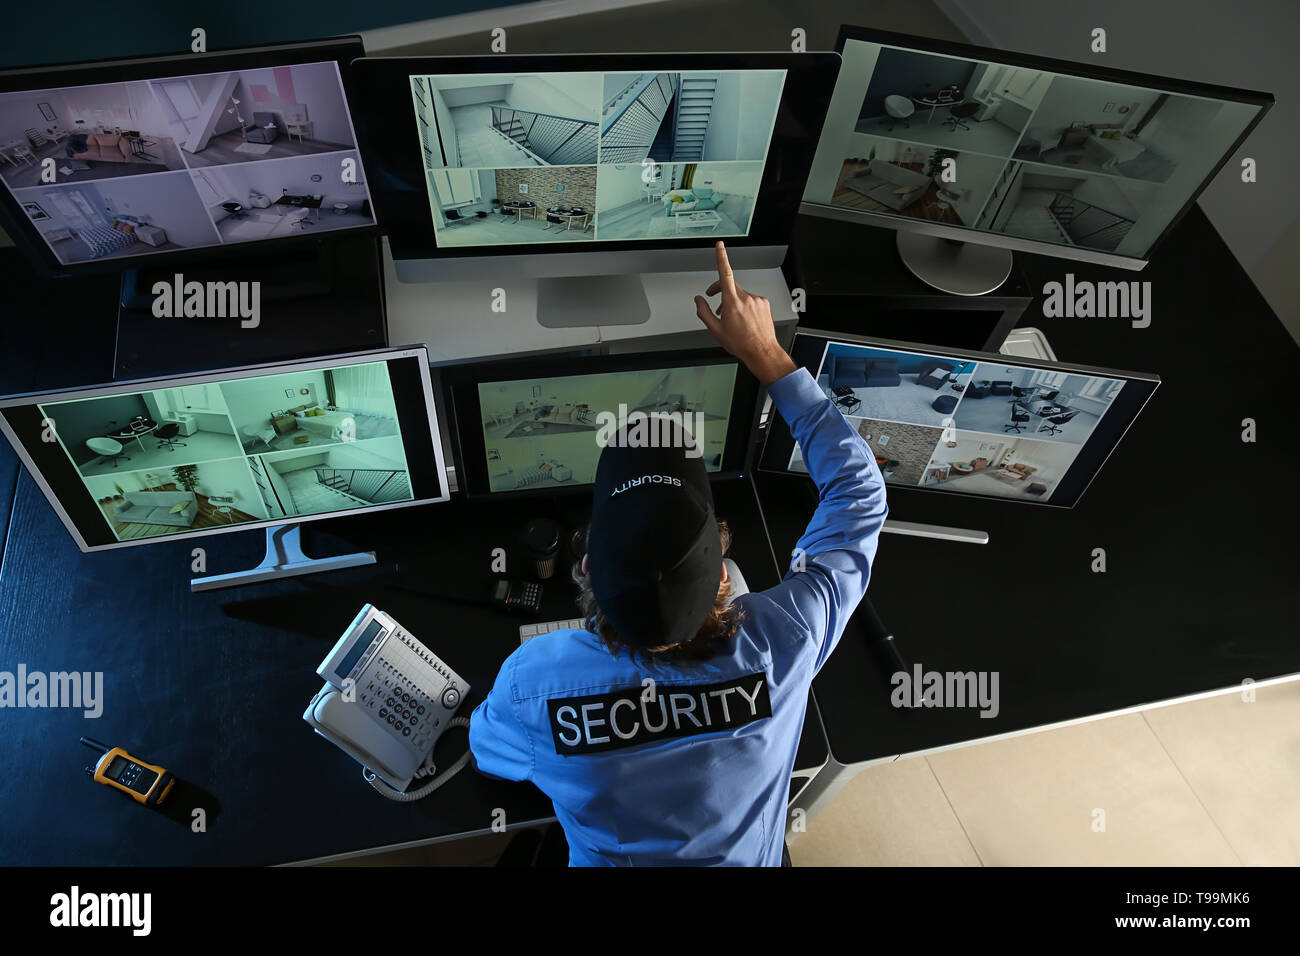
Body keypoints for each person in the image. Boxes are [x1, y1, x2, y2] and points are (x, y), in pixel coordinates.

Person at [469, 241, 888, 865]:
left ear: (585, 568)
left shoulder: (535, 681)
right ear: (725, 574)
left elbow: (490, 757)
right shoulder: (785, 638)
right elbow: (859, 495)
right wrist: (766, 354)